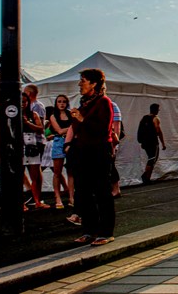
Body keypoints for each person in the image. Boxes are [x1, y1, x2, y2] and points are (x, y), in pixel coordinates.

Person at [69, 68, 116, 246]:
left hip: (98, 151)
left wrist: (81, 119)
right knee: (84, 191)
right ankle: (89, 230)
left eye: (83, 80)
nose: (80, 84)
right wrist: (75, 119)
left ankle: (106, 232)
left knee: (102, 192)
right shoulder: (85, 103)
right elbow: (80, 129)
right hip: (83, 151)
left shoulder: (104, 102)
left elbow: (103, 130)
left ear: (94, 83)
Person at [22, 92, 51, 210]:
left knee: (36, 175)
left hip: (32, 146)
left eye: (24, 101)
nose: (22, 104)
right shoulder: (12, 114)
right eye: (20, 101)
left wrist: (28, 123)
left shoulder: (33, 114)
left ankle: (37, 201)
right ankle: (21, 203)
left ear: (28, 102)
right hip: (19, 147)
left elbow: (41, 129)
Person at [48, 95, 72, 208]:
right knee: (57, 172)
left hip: (71, 142)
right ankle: (57, 197)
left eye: (64, 102)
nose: (62, 104)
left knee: (71, 171)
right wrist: (72, 127)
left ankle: (71, 196)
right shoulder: (53, 116)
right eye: (59, 102)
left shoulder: (70, 114)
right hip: (59, 141)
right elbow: (59, 130)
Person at [138, 103, 166, 184]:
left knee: (150, 158)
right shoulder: (155, 118)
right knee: (152, 159)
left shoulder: (144, 118)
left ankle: (147, 177)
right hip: (153, 142)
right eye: (158, 109)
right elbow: (158, 131)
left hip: (145, 142)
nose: (159, 111)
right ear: (156, 110)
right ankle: (146, 177)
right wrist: (163, 143)